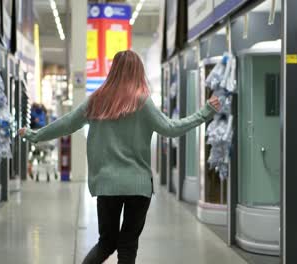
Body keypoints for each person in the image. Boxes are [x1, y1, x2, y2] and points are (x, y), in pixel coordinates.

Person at [19, 50, 221, 264]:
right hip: (138, 186)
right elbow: (171, 128)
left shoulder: (97, 100)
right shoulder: (142, 102)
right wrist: (205, 113)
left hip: (107, 184)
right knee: (127, 246)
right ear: (138, 71)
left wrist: (34, 135)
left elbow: (67, 123)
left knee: (106, 243)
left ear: (113, 70)